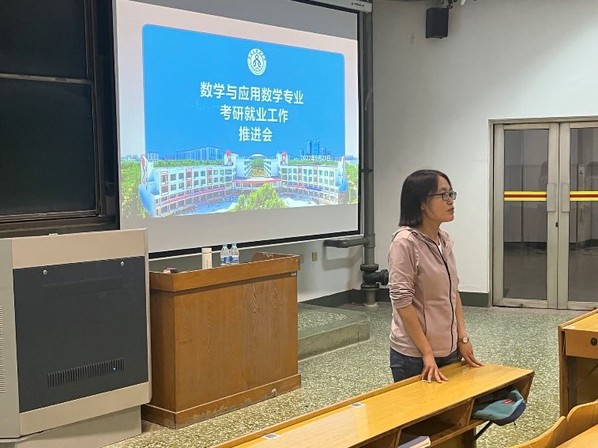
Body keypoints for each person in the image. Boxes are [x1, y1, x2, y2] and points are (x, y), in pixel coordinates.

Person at [388, 169, 482, 383]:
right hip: (415, 356)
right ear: (422, 202)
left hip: (449, 349)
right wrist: (427, 352)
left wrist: (462, 337)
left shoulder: (444, 240)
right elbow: (402, 302)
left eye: (451, 194)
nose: (450, 201)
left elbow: (453, 292)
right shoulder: (405, 243)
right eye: (443, 194)